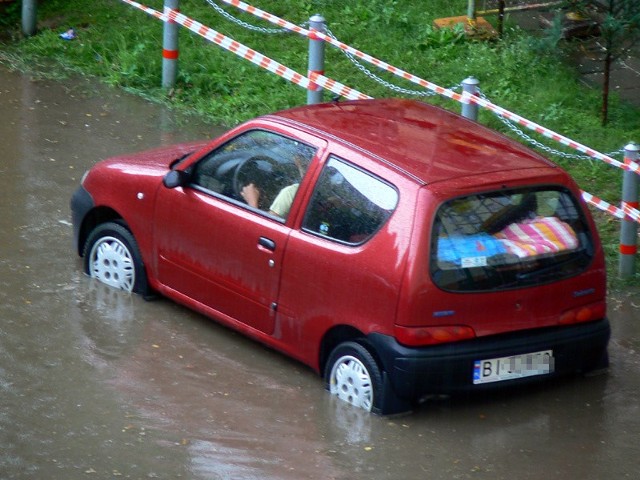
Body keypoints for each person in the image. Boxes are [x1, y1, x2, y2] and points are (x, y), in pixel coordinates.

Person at [241, 152, 310, 219]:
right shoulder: (315, 188)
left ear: (297, 160)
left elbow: (265, 226)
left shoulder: (292, 192)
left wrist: (252, 201)